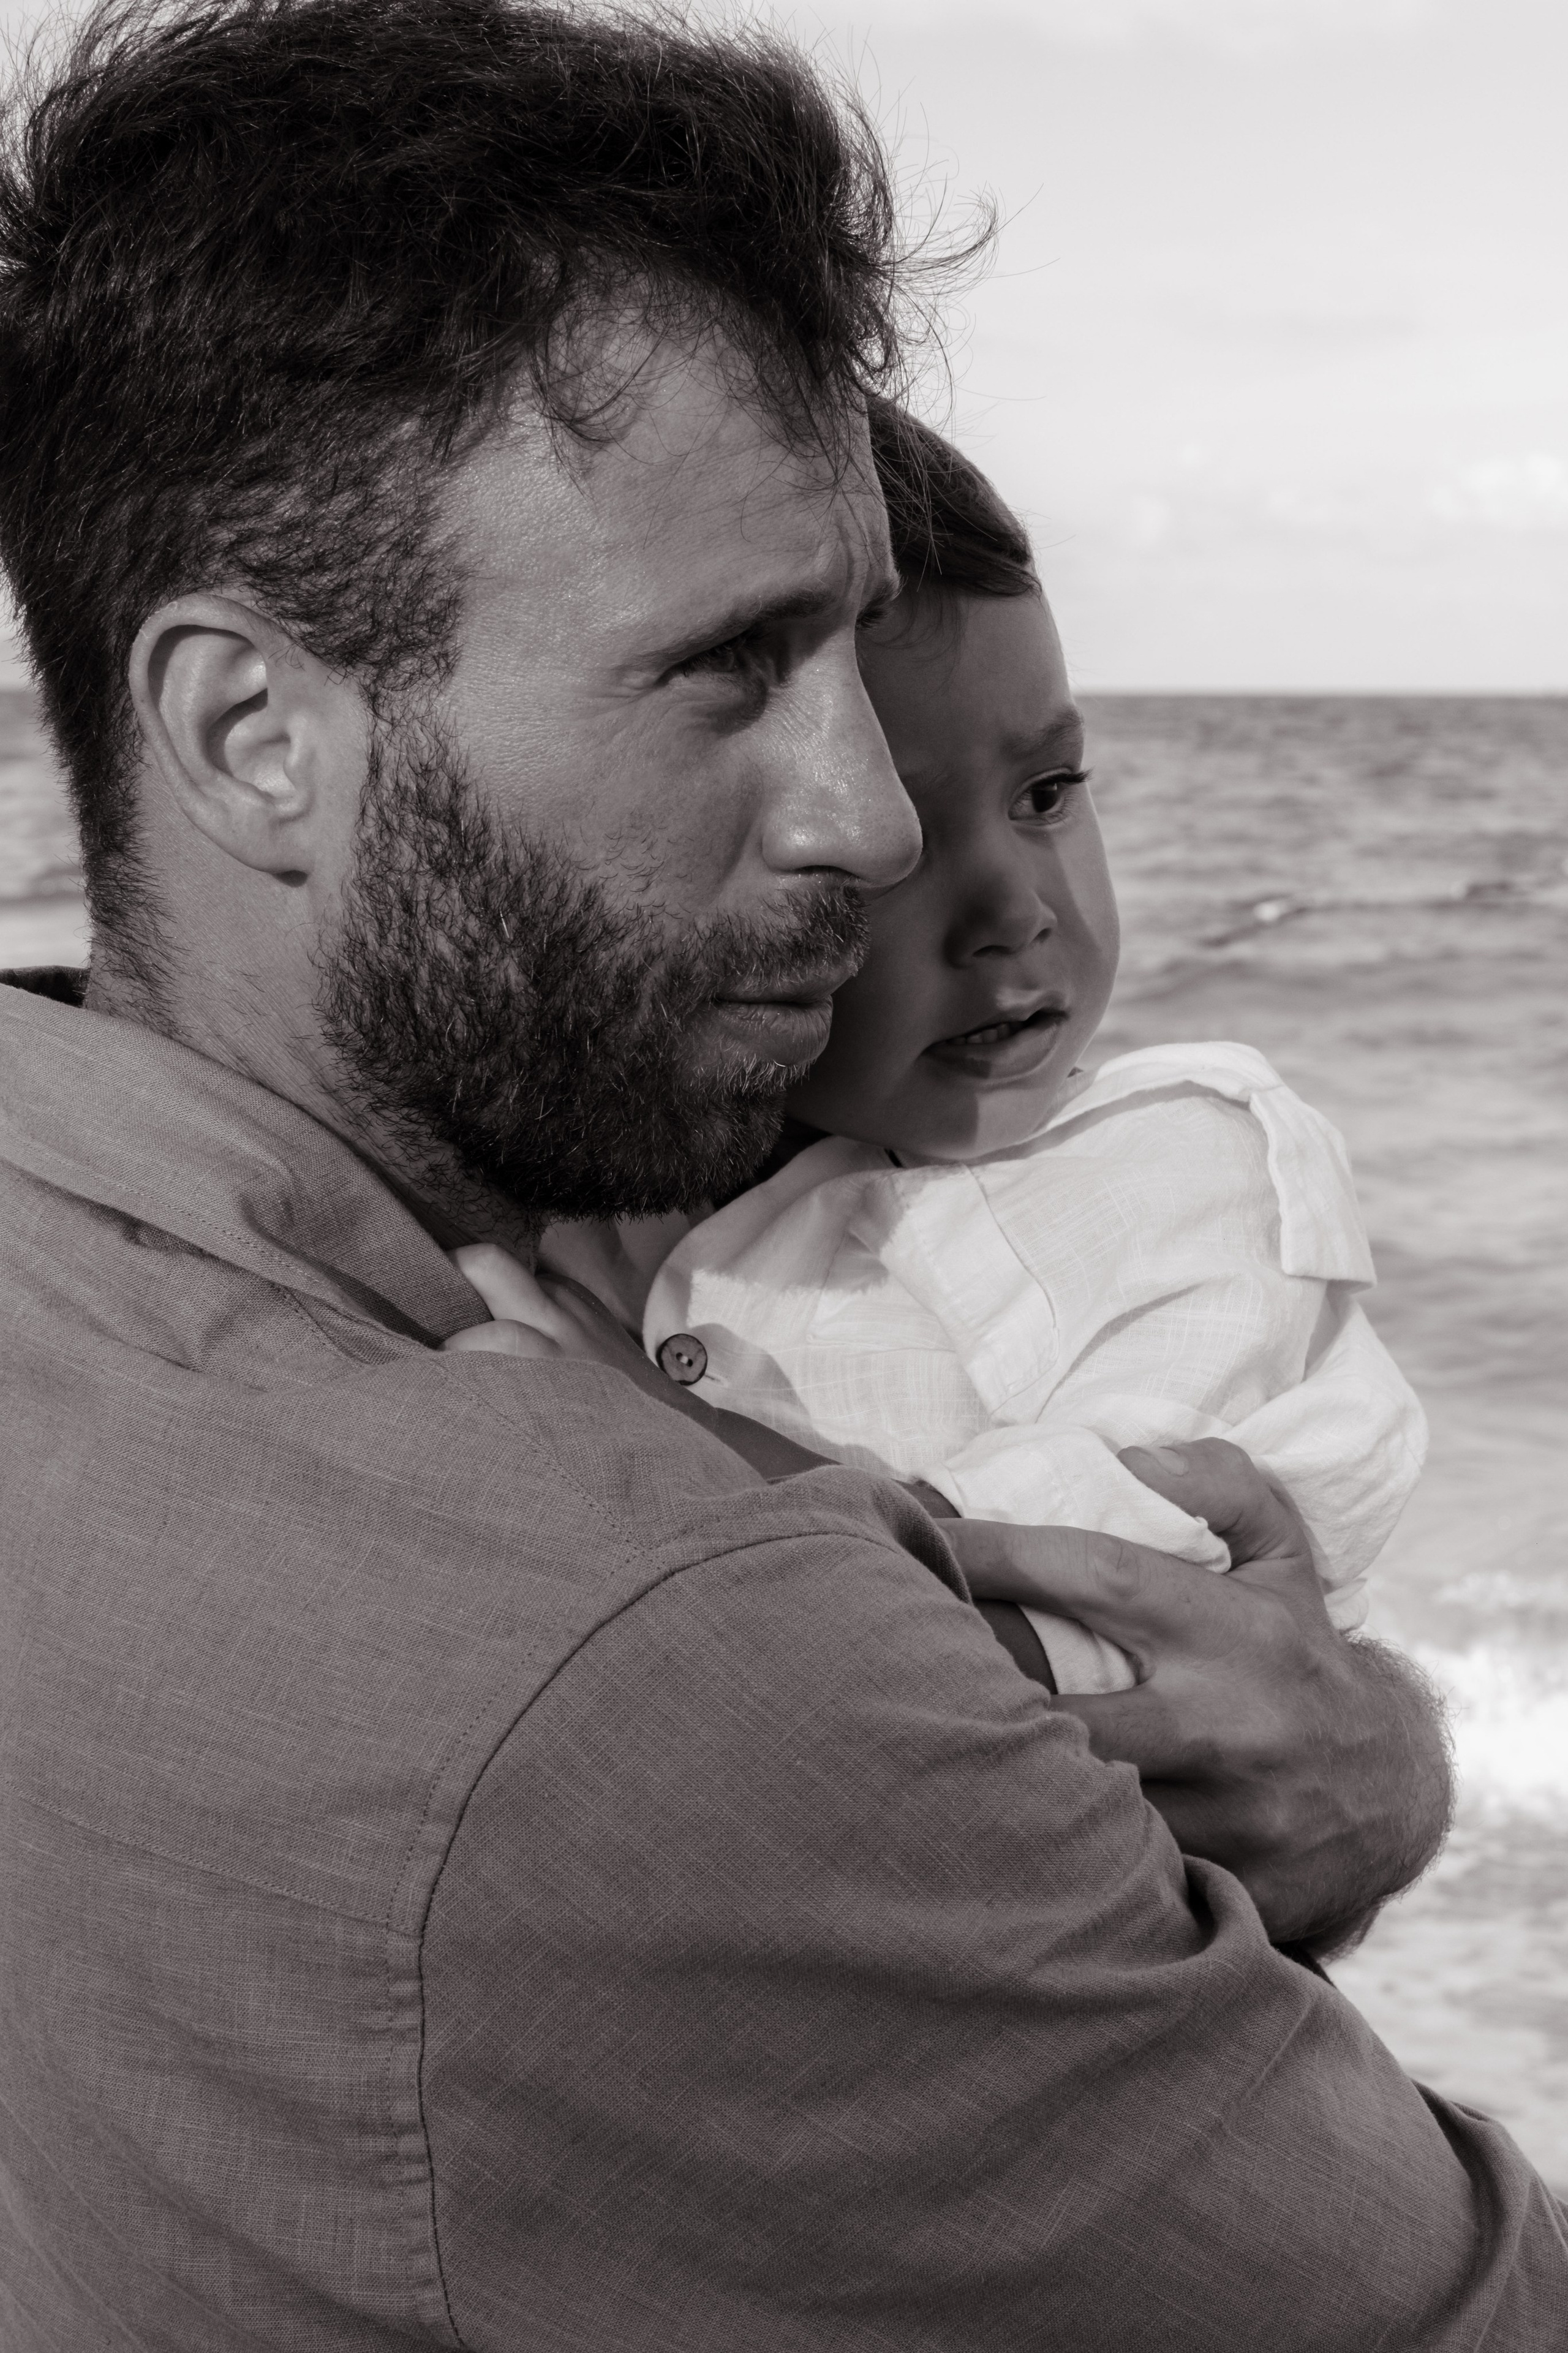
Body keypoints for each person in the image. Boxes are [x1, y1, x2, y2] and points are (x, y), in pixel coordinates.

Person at [0, 2, 1562, 2346]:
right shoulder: (667, 1658)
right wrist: (1370, 1799)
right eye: (729, 673)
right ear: (252, 737)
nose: (874, 816)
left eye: (852, 645)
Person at [621, 410, 1429, 1696]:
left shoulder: (1182, 1166)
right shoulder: (666, 1185)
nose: (1015, 909)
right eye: (898, 837)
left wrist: (654, 1440)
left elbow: (1097, 1583)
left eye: (1046, 793)